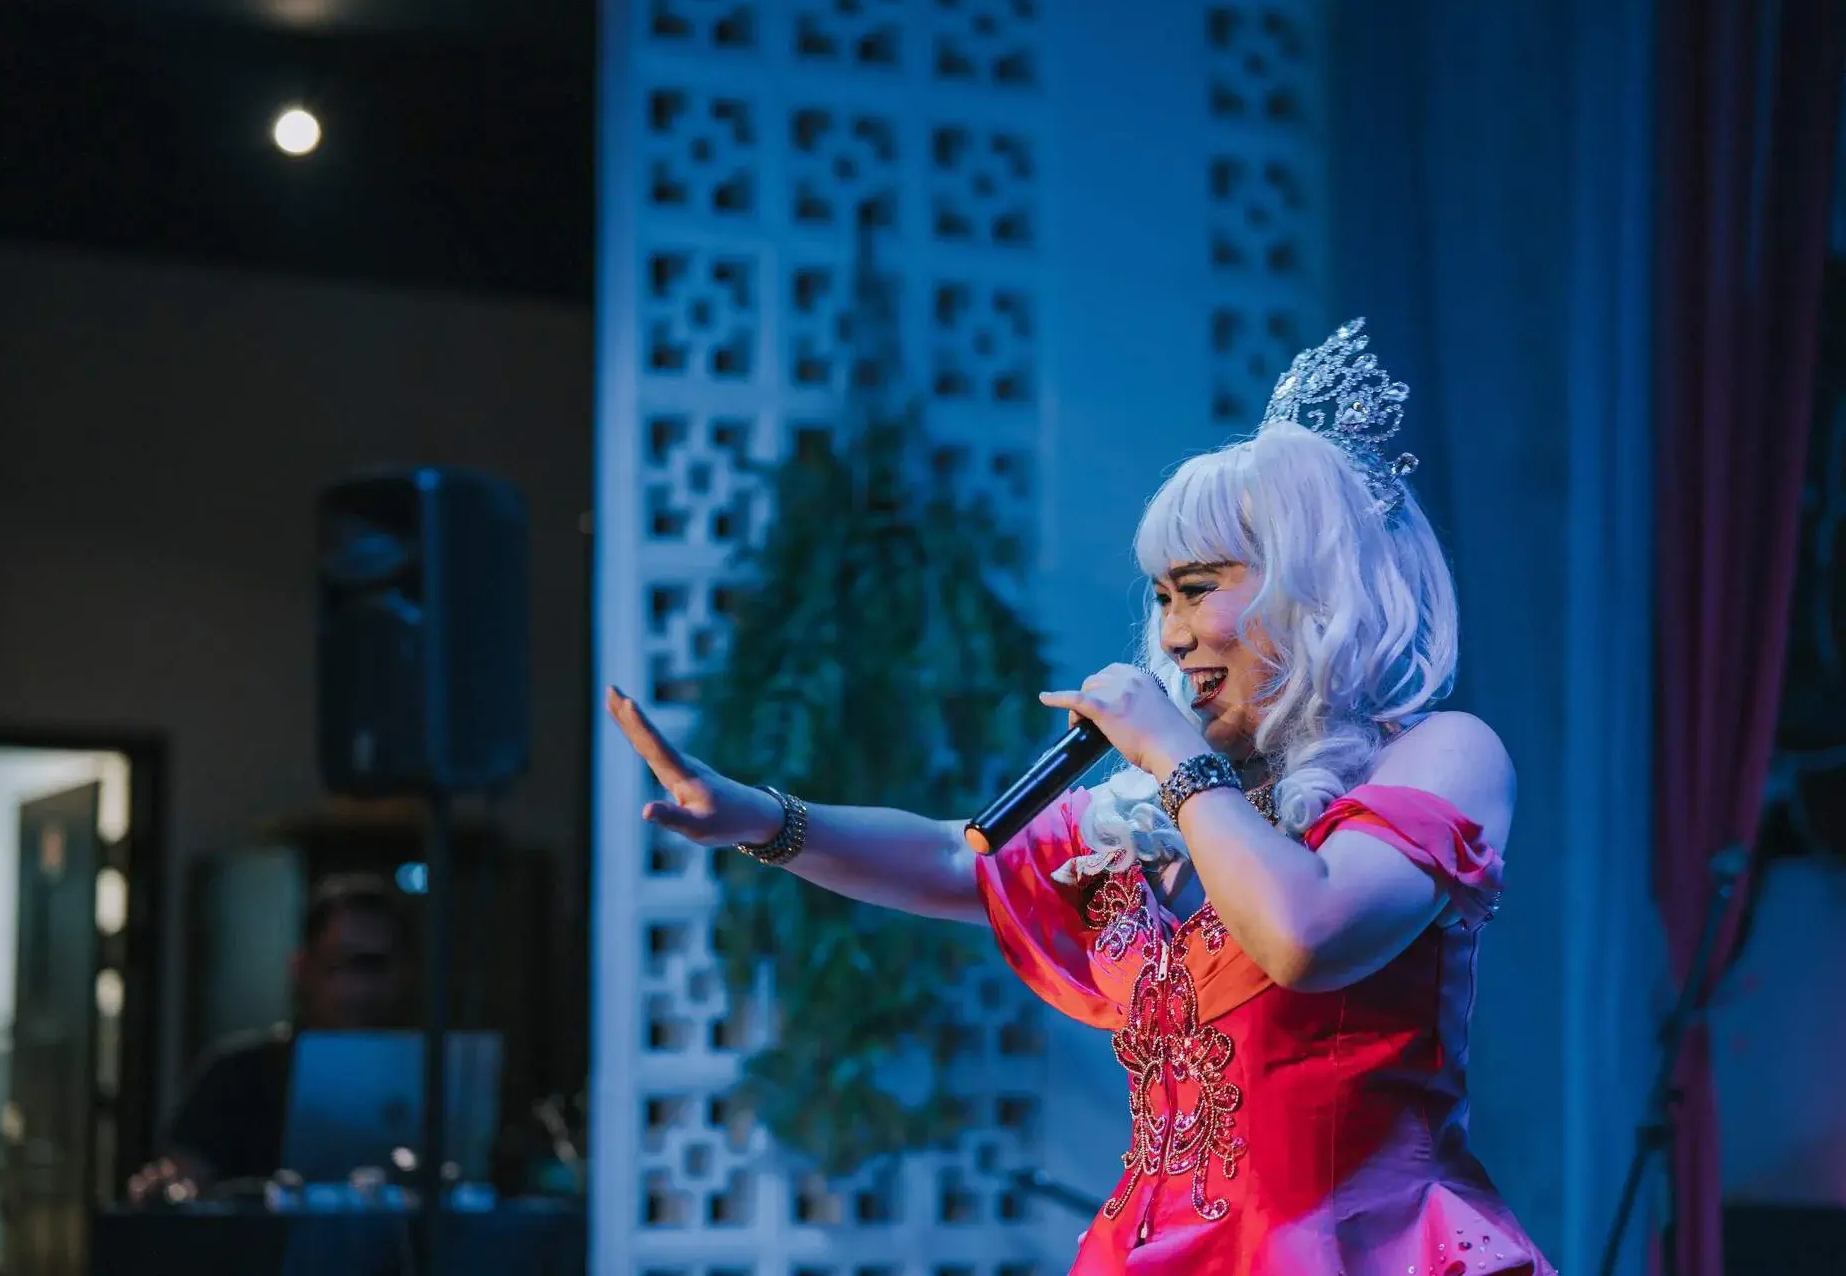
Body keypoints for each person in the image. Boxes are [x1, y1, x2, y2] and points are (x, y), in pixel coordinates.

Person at [608, 319, 1554, 1274]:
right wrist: (765, 821)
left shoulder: (1440, 756)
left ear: (1313, 589)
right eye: (1160, 599)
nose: (1175, 634)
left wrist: (1177, 757)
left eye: (1198, 588)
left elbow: (1307, 936)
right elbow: (957, 855)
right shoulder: (1154, 823)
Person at [127, 874, 415, 1202]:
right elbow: (186, 1177)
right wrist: (170, 1189)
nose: (360, 987)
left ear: (403, 974)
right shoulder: (235, 1075)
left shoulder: (431, 1079)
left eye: (375, 966)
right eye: (343, 963)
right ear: (303, 968)